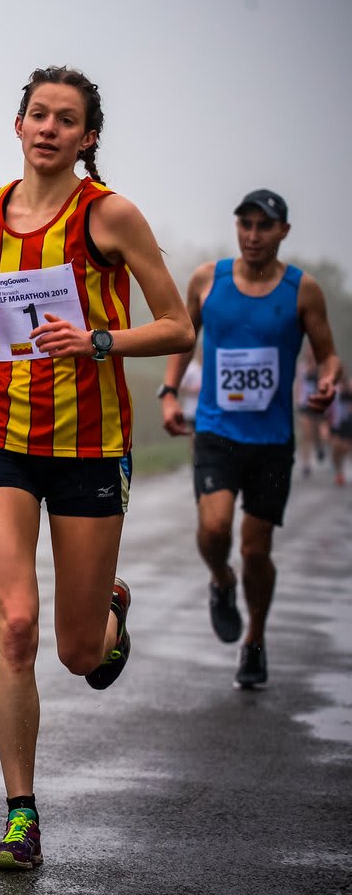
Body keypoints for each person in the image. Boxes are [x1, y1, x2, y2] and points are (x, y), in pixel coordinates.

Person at [0, 66, 194, 870]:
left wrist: (98, 341)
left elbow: (178, 325)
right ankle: (21, 817)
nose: (48, 128)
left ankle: (109, 612)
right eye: (37, 114)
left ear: (87, 137)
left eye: (65, 119)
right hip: (2, 433)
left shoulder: (109, 216)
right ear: (18, 126)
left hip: (89, 443)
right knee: (14, 625)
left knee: (78, 653)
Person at [160, 189, 342, 687]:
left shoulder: (303, 291)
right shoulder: (207, 280)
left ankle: (255, 639)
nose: (253, 235)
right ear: (236, 227)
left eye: (265, 226)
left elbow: (327, 354)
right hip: (216, 430)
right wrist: (170, 392)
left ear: (283, 231)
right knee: (216, 531)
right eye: (246, 224)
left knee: (256, 549)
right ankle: (220, 580)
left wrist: (328, 379)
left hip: (272, 438)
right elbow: (181, 335)